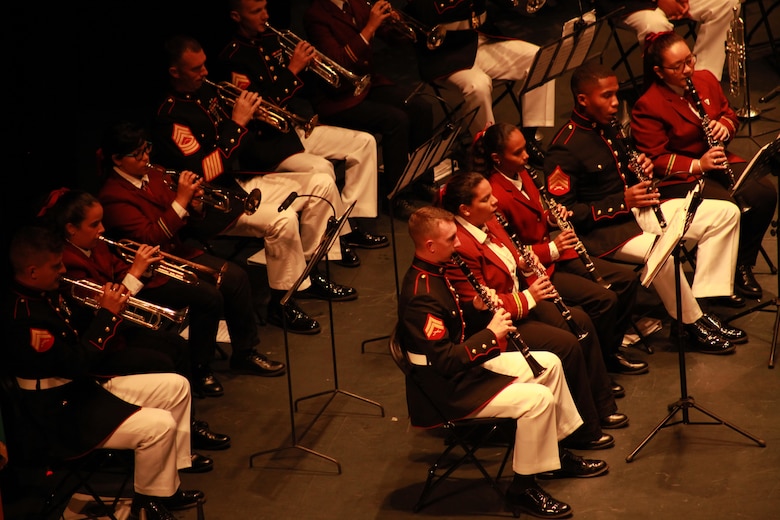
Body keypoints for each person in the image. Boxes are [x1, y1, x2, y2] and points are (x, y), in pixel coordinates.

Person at [398, 206, 608, 518]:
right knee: (537, 399)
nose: (458, 244)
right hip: (448, 392)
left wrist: (476, 306)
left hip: (462, 372)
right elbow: (443, 361)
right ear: (430, 245)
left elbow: (454, 323)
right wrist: (490, 334)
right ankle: (523, 489)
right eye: (451, 239)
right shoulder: (421, 295)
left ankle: (554, 456)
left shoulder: (437, 270)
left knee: (549, 362)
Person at [544, 61, 748, 355]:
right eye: (607, 96)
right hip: (604, 234)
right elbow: (564, 215)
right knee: (662, 252)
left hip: (638, 213)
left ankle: (702, 305)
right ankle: (690, 325)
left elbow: (619, 173)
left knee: (725, 214)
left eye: (616, 94)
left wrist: (641, 167)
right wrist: (621, 201)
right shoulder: (565, 146)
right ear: (583, 100)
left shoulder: (609, 126)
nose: (615, 103)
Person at [152, 34, 359, 323]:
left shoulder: (209, 92)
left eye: (204, 65)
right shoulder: (170, 116)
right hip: (212, 203)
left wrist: (256, 116)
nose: (206, 73)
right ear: (175, 72)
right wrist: (237, 125)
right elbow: (204, 171)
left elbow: (242, 146)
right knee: (283, 220)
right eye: (196, 69)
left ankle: (311, 270)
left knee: (321, 184)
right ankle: (282, 305)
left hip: (237, 184)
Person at [4, 225, 204, 520]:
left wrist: (106, 305)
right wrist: (108, 315)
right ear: (32, 272)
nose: (63, 270)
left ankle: (167, 486)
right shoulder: (25, 318)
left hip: (79, 390)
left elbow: (78, 333)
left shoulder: (47, 293)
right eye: (55, 266)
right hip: (57, 413)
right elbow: (75, 363)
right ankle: (148, 503)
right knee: (158, 425)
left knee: (176, 386)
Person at [37, 188, 232, 470]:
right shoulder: (66, 263)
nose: (103, 229)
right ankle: (162, 439)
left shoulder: (95, 244)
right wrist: (135, 273)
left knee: (176, 346)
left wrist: (147, 267)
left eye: (102, 222)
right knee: (162, 360)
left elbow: (116, 270)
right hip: (98, 346)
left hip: (118, 331)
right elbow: (103, 306)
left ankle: (186, 429)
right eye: (94, 224)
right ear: (70, 229)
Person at [96, 122, 288, 398]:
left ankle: (245, 352)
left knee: (236, 278)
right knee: (208, 297)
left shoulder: (156, 174)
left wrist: (195, 203)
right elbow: (149, 239)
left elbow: (185, 220)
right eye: (137, 155)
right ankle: (199, 369)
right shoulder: (113, 196)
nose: (146, 158)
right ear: (116, 159)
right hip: (151, 269)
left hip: (178, 253)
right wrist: (182, 200)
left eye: (146, 150)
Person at [441, 171, 628, 451]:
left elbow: (513, 259)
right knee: (565, 345)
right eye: (486, 199)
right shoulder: (460, 246)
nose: (495, 202)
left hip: (521, 302)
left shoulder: (490, 220)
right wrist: (529, 296)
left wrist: (528, 267)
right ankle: (582, 431)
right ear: (465, 210)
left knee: (580, 321)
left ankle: (600, 405)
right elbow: (479, 303)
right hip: (496, 325)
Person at [471, 122, 647, 377]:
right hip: (532, 272)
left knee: (626, 281)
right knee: (604, 300)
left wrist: (552, 218)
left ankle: (608, 349)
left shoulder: (523, 173)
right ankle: (601, 362)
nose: (527, 156)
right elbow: (509, 250)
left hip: (553, 257)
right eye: (518, 153)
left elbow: (535, 218)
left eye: (524, 149)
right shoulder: (494, 194)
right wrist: (552, 247)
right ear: (497, 158)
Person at [218, 0, 389, 256]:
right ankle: (328, 244)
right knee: (322, 168)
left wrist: (311, 64)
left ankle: (353, 223)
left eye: (266, 7)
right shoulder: (233, 58)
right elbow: (260, 111)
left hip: (291, 131)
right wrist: (293, 69)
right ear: (236, 16)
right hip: (266, 146)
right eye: (256, 11)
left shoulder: (272, 39)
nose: (265, 15)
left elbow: (301, 90)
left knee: (364, 142)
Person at [631, 30, 778, 300]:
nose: (688, 69)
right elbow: (655, 159)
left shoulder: (705, 79)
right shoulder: (648, 105)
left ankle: (742, 265)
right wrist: (699, 164)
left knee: (765, 193)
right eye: (678, 66)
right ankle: (718, 279)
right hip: (683, 178)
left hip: (719, 161)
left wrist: (725, 126)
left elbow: (727, 112)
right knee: (730, 207)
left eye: (690, 60)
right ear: (659, 71)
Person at [302, 0, 438, 216]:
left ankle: (422, 179)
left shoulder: (356, 3)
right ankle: (397, 196)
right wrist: (370, 27)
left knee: (421, 107)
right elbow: (339, 62)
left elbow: (394, 41)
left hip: (366, 84)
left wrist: (398, 24)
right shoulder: (316, 15)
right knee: (396, 120)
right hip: (338, 97)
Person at [402, 0, 555, 156]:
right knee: (478, 86)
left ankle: (528, 137)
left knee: (541, 59)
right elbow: (434, 12)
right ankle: (489, 152)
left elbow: (505, 7)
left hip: (480, 39)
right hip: (445, 53)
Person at [594, 0, 738, 80]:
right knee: (655, 26)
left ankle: (703, 82)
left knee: (726, 2)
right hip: (631, 3)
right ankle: (670, 97)